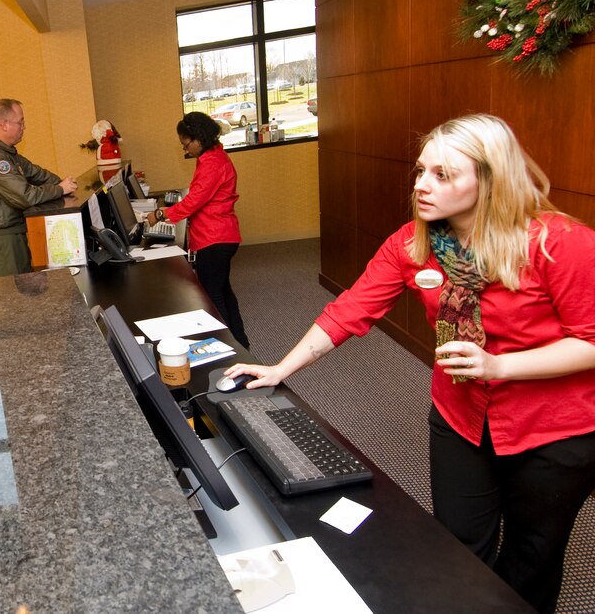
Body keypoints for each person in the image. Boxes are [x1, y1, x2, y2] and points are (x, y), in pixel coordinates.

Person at [222, 114, 595, 614]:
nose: (421, 185)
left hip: (555, 431)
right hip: (461, 418)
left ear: (489, 179)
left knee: (533, 556)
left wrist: (500, 367)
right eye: (420, 171)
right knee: (458, 546)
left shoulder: (559, 242)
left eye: (443, 175)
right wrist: (279, 369)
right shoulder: (413, 244)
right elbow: (350, 309)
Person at [146, 112, 249, 348]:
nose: (186, 150)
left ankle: (228, 346)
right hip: (221, 235)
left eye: (186, 144)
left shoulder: (212, 163)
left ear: (198, 138)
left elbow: (194, 202)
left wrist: (160, 214)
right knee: (223, 291)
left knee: (212, 297)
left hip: (214, 238)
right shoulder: (213, 157)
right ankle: (240, 341)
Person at [0, 98, 77, 278]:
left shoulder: (4, 151)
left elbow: (36, 173)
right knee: (8, 298)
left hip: (12, 233)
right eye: (20, 122)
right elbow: (24, 196)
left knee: (22, 291)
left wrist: (62, 183)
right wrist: (59, 189)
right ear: (4, 124)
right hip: (2, 240)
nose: (23, 127)